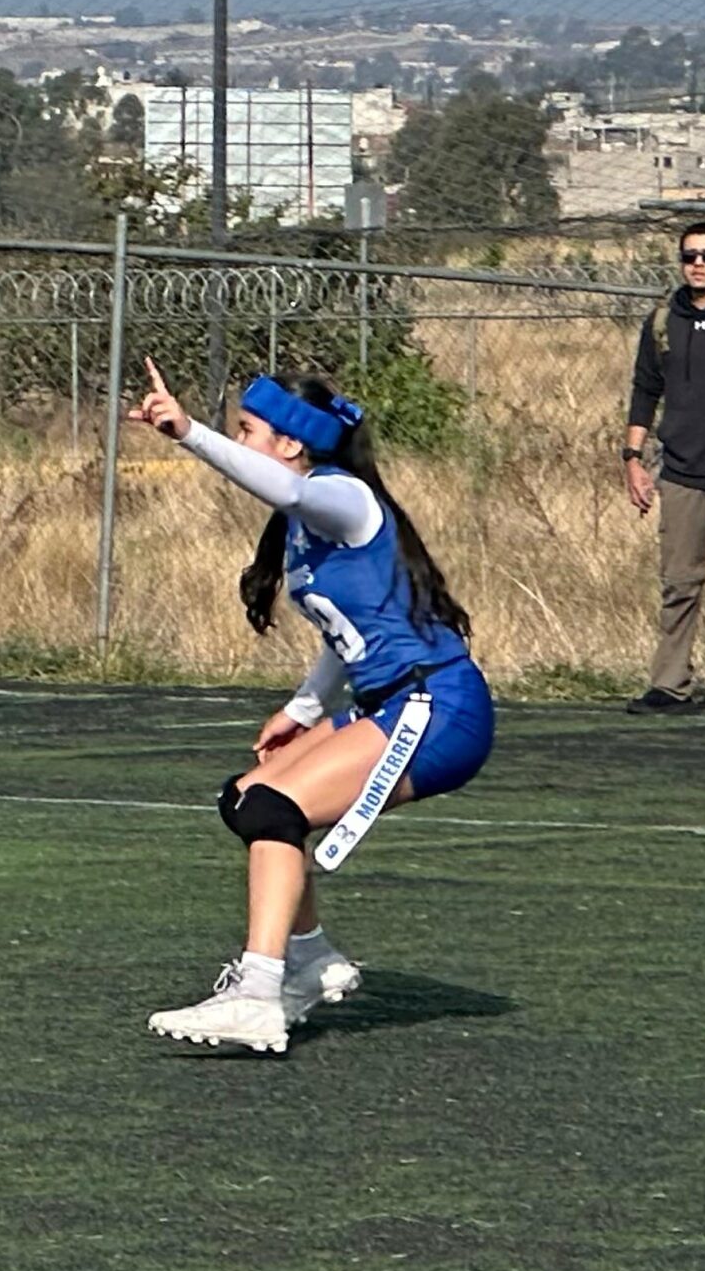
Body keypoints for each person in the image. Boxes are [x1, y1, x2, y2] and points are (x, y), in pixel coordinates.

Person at [127, 359, 494, 1054]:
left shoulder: (342, 496)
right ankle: (312, 959)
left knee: (275, 811)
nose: (239, 441)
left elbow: (283, 492)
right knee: (245, 797)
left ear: (292, 443)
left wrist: (191, 433)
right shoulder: (306, 523)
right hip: (393, 697)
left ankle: (259, 994)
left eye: (249, 430)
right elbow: (343, 634)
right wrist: (301, 710)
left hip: (439, 705)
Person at [622, 219, 705, 713]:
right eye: (689, 256)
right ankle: (670, 685)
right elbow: (644, 391)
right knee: (678, 586)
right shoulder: (661, 323)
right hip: (680, 477)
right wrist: (633, 459)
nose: (697, 264)